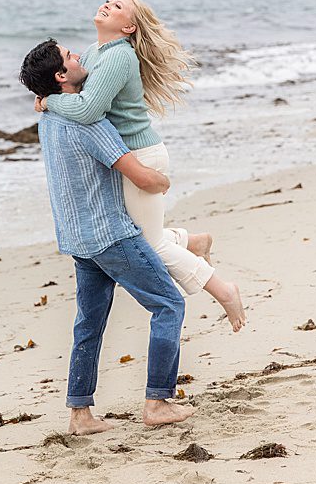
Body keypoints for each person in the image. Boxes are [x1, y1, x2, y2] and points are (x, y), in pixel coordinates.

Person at [35, 0, 245, 332]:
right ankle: (192, 242)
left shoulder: (119, 56)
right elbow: (76, 94)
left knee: (147, 246)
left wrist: (50, 102)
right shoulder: (94, 51)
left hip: (139, 157)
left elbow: (88, 110)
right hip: (124, 155)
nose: (107, 6)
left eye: (118, 7)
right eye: (108, 1)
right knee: (142, 238)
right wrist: (51, 97)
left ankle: (224, 290)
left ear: (129, 27)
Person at [20, 38, 195, 434]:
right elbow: (141, 177)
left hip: (77, 238)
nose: (78, 54)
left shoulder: (47, 118)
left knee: (88, 324)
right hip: (110, 234)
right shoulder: (89, 123)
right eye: (69, 56)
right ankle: (157, 402)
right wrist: (163, 179)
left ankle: (80, 414)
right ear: (61, 77)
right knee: (168, 306)